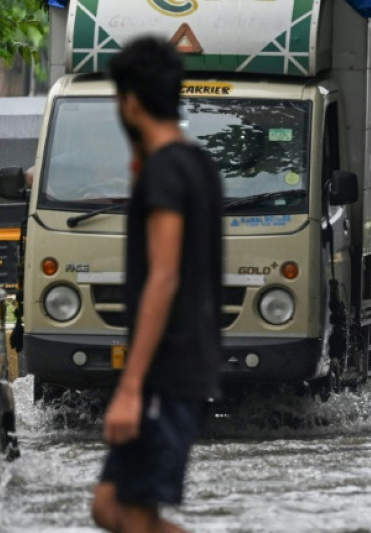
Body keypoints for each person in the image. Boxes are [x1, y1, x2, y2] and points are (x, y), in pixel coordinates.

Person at [90, 37, 223, 533]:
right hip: (185, 363)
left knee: (135, 515)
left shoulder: (165, 172)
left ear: (130, 102)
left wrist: (131, 386)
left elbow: (163, 277)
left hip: (166, 370)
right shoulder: (198, 164)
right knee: (110, 508)